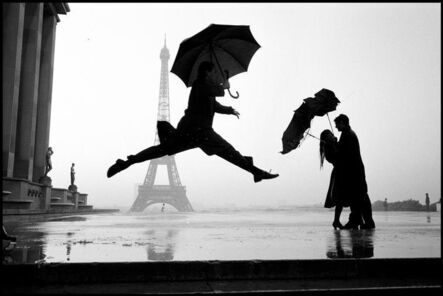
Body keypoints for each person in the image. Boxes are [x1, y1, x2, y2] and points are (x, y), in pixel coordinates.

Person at [107, 61, 279, 183]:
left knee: (163, 150)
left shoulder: (206, 88)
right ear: (207, 73)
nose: (216, 76)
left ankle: (128, 162)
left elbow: (214, 104)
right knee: (228, 151)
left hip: (193, 132)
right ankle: (256, 172)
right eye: (214, 73)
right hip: (198, 130)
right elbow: (216, 93)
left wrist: (229, 110)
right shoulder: (200, 85)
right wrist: (224, 87)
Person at [334, 114, 375, 229]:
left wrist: (336, 146)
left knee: (358, 197)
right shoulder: (347, 134)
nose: (336, 127)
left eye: (337, 124)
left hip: (354, 172)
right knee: (359, 197)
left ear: (342, 122)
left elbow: (346, 155)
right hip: (355, 171)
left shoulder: (348, 135)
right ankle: (362, 221)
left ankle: (359, 221)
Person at [319, 129, 348, 230]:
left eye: (331, 134)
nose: (332, 135)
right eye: (330, 135)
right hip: (339, 173)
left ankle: (336, 221)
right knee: (339, 198)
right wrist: (336, 144)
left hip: (340, 172)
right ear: (326, 138)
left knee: (340, 199)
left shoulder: (331, 145)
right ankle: (336, 221)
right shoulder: (328, 147)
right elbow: (338, 156)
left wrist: (336, 143)